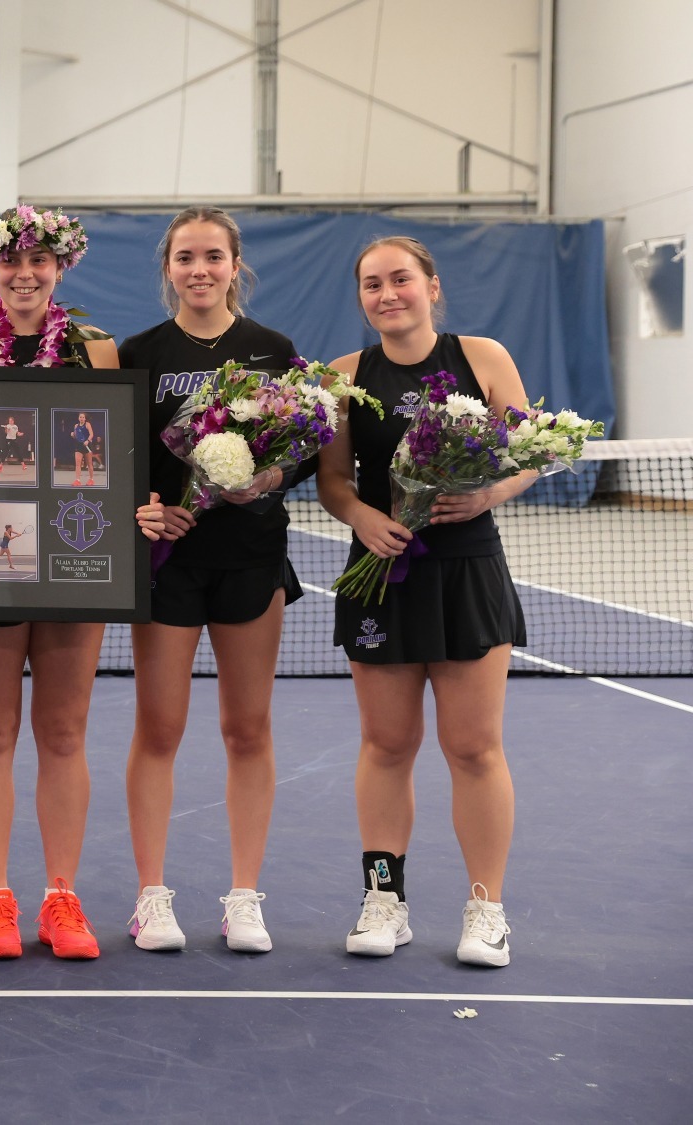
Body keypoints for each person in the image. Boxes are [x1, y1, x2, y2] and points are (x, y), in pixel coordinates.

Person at [317, 235, 529, 967]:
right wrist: (359, 516)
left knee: (473, 746)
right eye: (372, 283)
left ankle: (486, 910)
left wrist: (487, 493)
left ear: (432, 286)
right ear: (362, 298)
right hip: (381, 570)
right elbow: (334, 480)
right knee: (387, 744)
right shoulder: (346, 375)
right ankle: (385, 900)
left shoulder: (484, 358)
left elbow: (528, 454)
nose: (387, 293)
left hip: (467, 567)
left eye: (401, 278)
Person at [0, 205, 119, 960]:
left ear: (61, 267)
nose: (25, 274)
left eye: (39, 262)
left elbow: (114, 453)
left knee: (65, 731)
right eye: (11, 263)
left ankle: (61, 899)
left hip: (75, 560)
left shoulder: (96, 351)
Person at [123, 207, 301, 954]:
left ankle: (244, 897)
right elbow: (114, 461)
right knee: (160, 728)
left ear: (236, 266)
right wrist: (145, 512)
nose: (200, 269)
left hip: (251, 558)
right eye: (186, 257)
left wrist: (263, 477)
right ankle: (152, 897)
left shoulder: (272, 349)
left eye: (214, 257)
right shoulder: (138, 353)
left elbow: (298, 449)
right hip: (168, 565)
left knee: (246, 728)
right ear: (168, 268)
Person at [69, 413, 97, 486]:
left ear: (85, 418)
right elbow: (76, 436)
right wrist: (73, 435)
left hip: (87, 445)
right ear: (78, 418)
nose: (81, 418)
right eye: (80, 417)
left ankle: (91, 479)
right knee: (78, 464)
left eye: (83, 417)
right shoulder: (76, 426)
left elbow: (91, 434)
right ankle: (77, 480)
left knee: (89, 464)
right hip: (79, 446)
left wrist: (87, 441)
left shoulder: (87, 424)